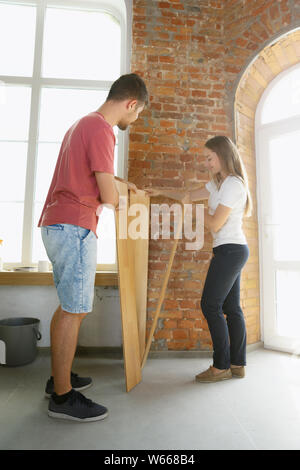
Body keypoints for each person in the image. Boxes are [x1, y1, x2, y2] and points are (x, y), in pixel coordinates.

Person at [38, 73, 148, 422]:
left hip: (57, 222)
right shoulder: (103, 129)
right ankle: (63, 397)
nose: (134, 120)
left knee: (70, 306)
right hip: (75, 227)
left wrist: (117, 182)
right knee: (76, 310)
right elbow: (107, 197)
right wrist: (123, 193)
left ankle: (60, 377)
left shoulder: (81, 125)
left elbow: (92, 176)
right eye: (138, 113)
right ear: (131, 103)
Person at [146, 136, 252, 383]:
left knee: (210, 305)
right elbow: (187, 195)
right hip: (229, 249)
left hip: (232, 250)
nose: (206, 163)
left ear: (223, 155)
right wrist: (161, 191)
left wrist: (196, 210)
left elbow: (215, 223)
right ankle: (237, 364)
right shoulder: (217, 184)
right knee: (231, 307)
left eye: (209, 157)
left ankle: (221, 366)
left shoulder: (233, 184)